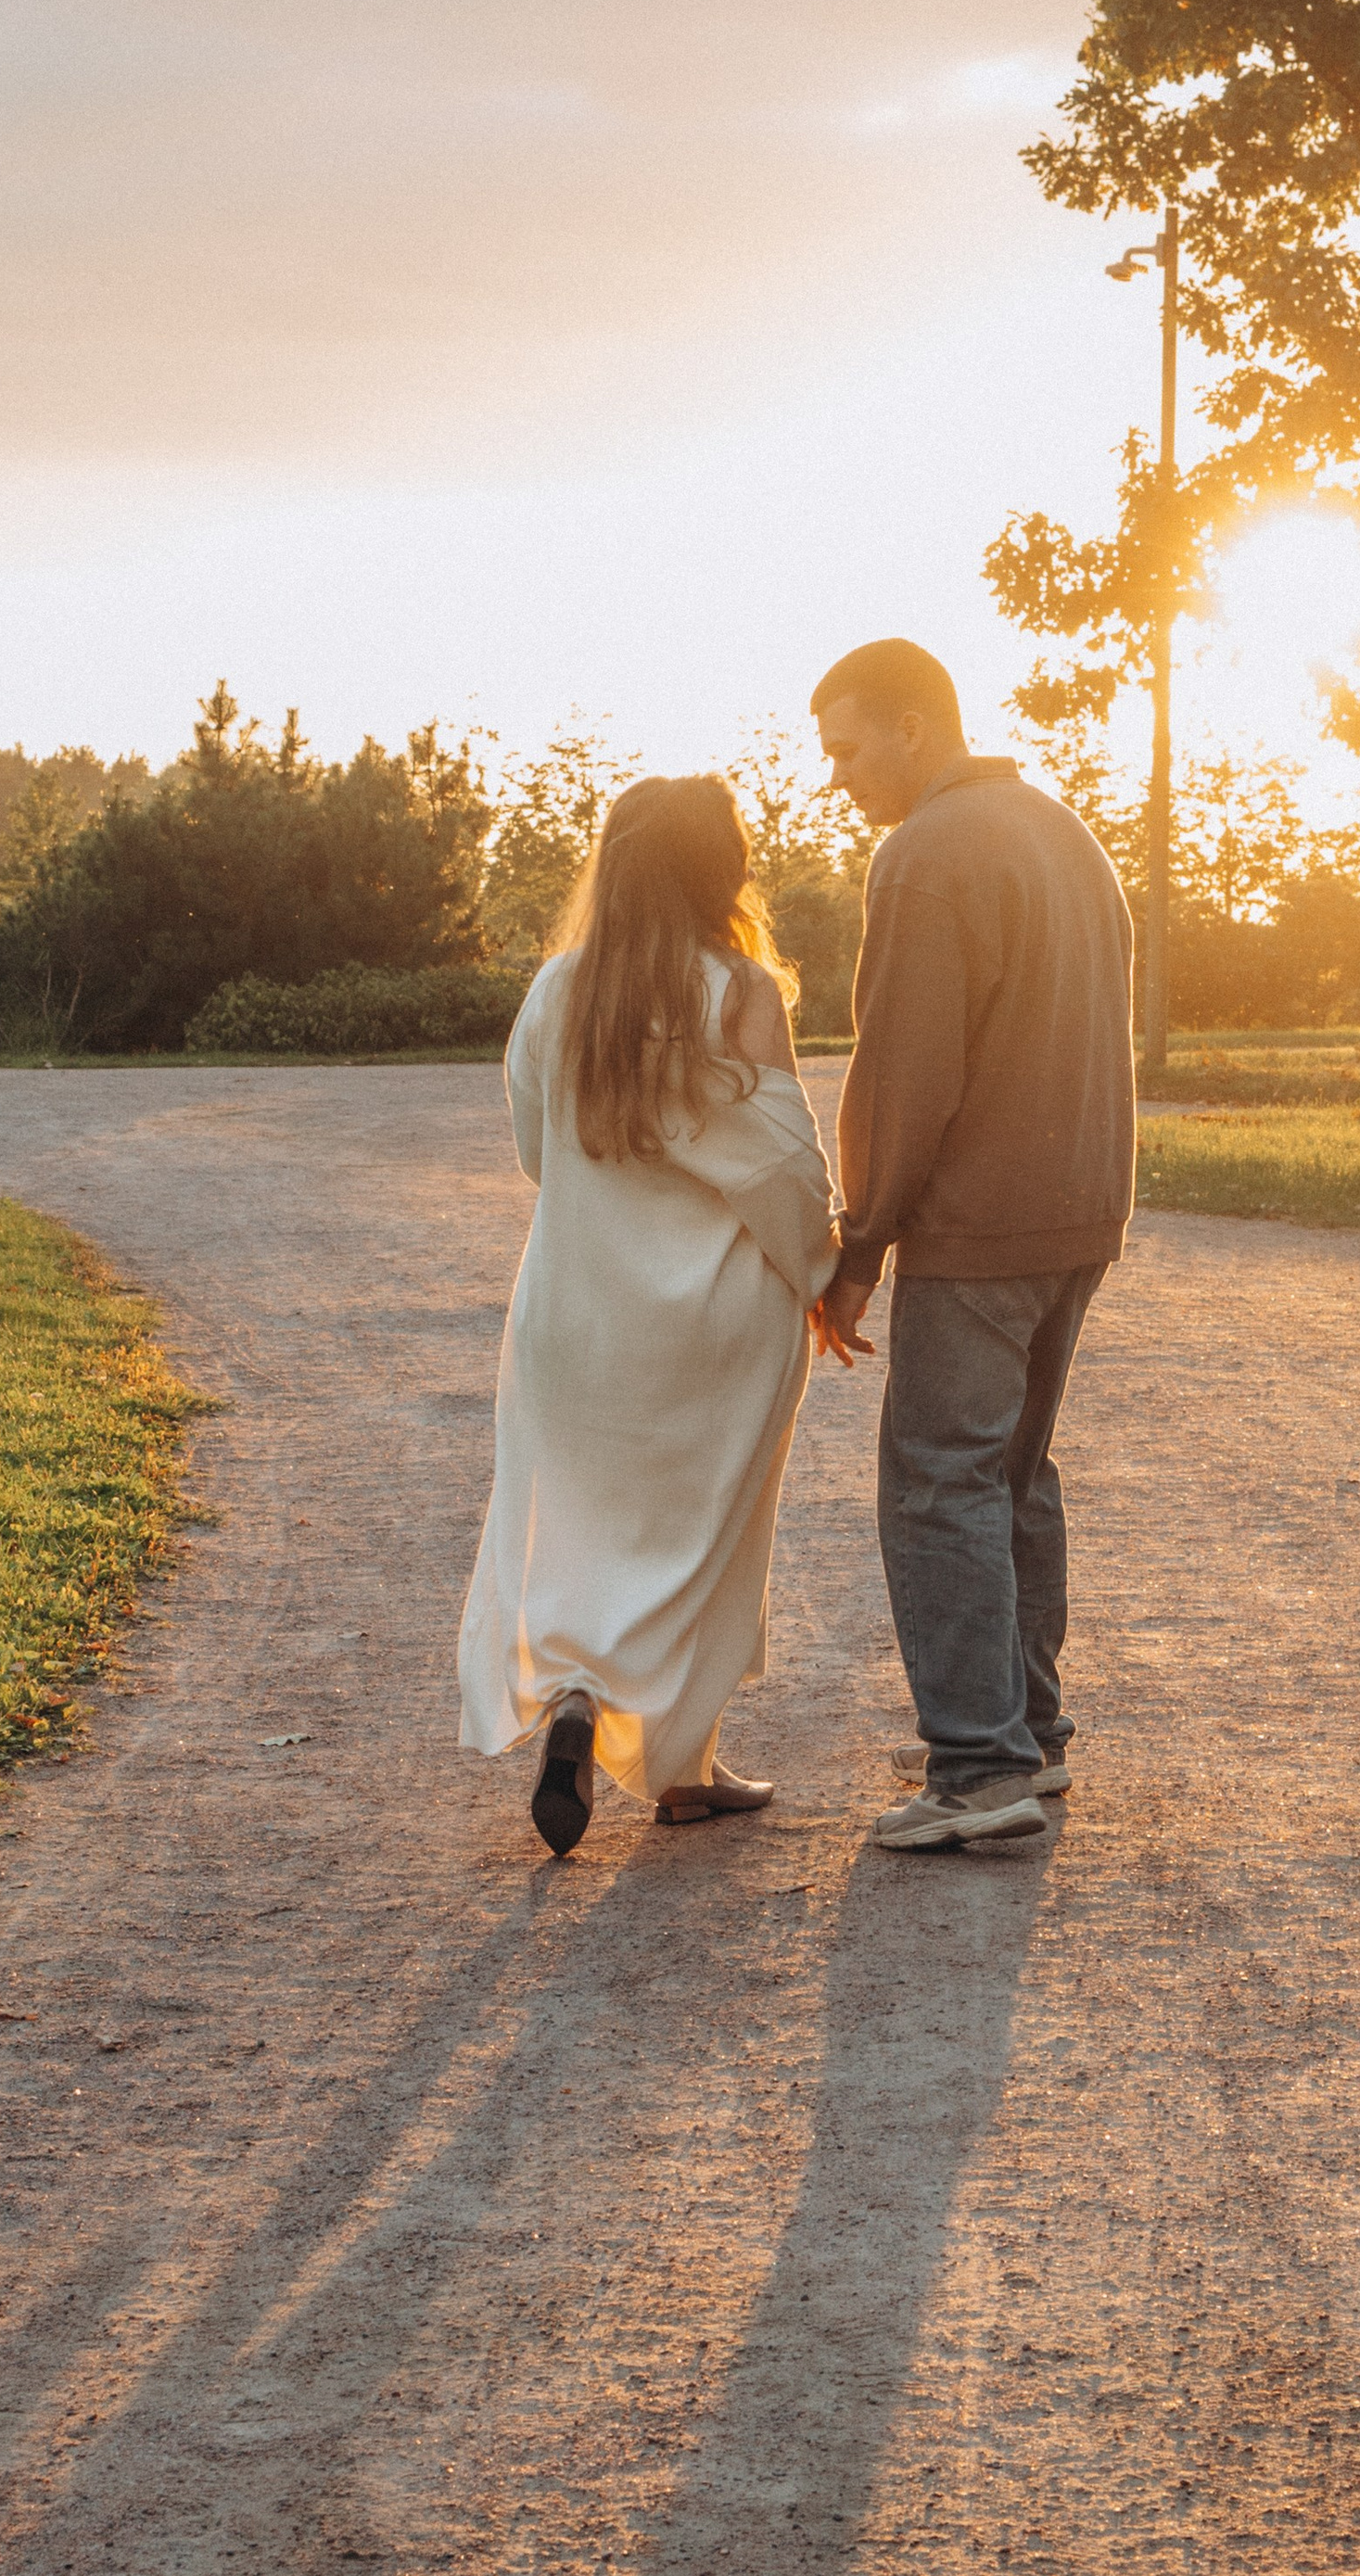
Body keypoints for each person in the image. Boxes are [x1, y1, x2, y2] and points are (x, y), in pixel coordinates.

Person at [458, 774, 840, 1858]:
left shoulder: (555, 991)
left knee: (577, 1514)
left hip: (575, 1313)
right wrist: (823, 1277)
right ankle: (685, 1768)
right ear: (724, 868)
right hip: (715, 1314)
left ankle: (576, 1694)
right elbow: (778, 1167)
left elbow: (539, 1156)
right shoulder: (738, 990)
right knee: (710, 1526)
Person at [809, 640, 1134, 1853]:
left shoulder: (925, 857)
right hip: (1078, 1211)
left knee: (939, 1478)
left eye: (846, 747)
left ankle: (979, 1769)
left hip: (980, 1226)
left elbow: (906, 1072)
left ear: (911, 724)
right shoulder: (1063, 831)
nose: (835, 776)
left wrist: (861, 1245)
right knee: (1011, 1474)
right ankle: (1026, 1740)